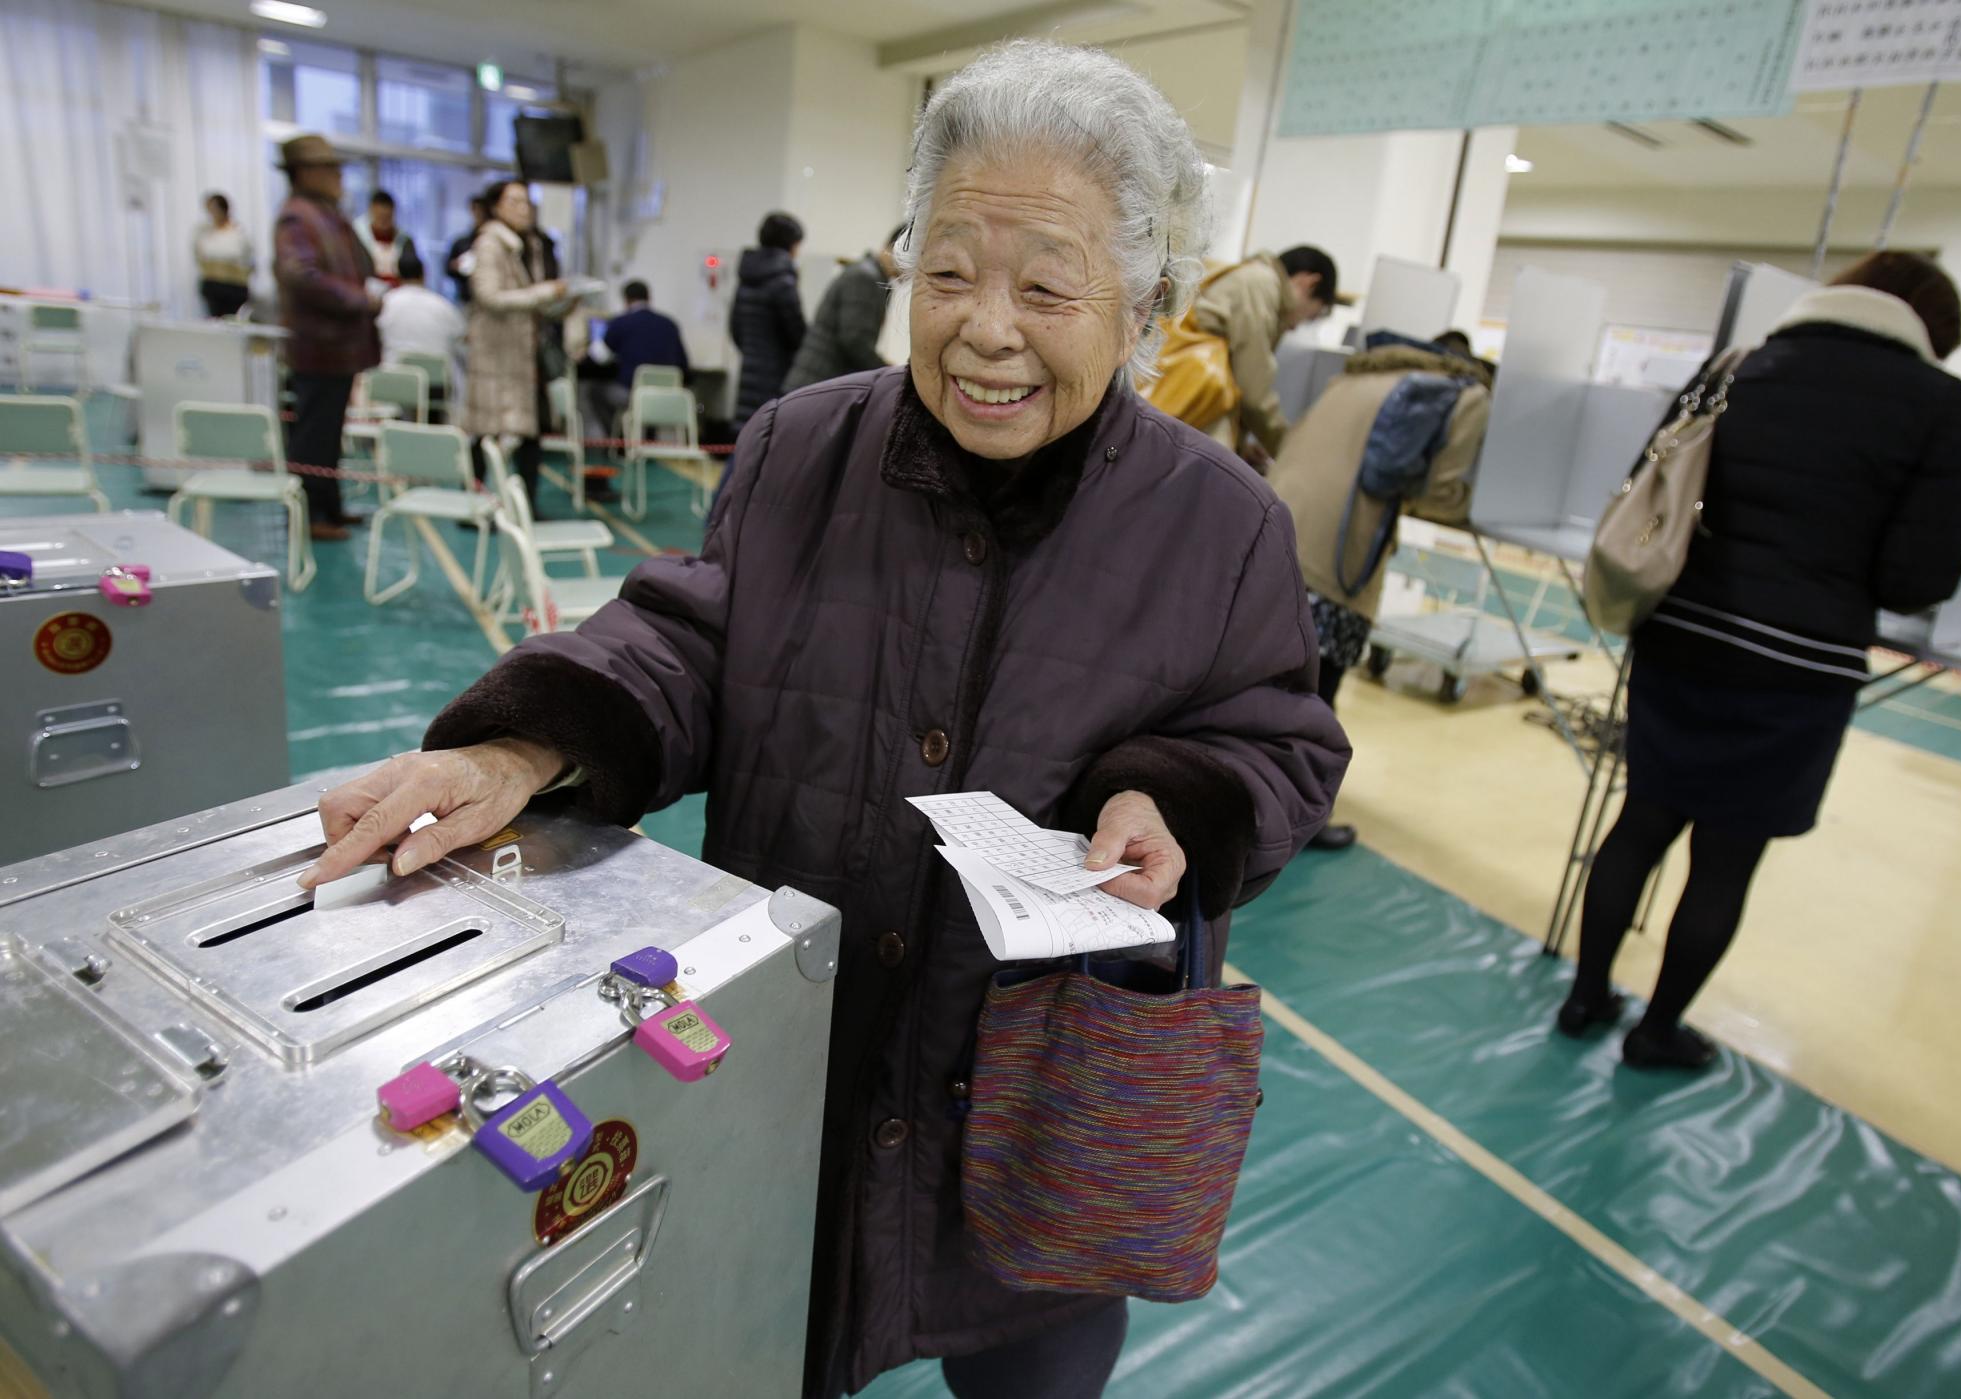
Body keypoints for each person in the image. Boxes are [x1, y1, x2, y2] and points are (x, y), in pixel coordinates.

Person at [298, 41, 1346, 1399]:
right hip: (795, 1062)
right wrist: (516, 740)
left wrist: (1174, 796)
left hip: (1043, 1096)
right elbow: (684, 640)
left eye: (1046, 284)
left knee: (1036, 1366)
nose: (984, 326)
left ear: (1142, 297)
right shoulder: (803, 447)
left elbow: (1279, 738)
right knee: (748, 1340)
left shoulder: (1222, 525)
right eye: (949, 268)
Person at [1558, 251, 1961, 1070]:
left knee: (1640, 821)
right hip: (1799, 665)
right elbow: (1916, 578)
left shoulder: (1739, 366)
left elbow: (1652, 486)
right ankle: (1657, 1031)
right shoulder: (1936, 401)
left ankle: (1585, 996)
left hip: (1682, 634)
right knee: (1725, 860)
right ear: (1932, 330)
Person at [1269, 332, 1494, 850]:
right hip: (1334, 554)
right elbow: (1442, 493)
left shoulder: (1362, 371)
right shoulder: (1469, 396)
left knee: (1262, 684)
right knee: (1315, 701)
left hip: (1272, 527)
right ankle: (1300, 822)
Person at [271, 134, 379, 541]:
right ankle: (310, 513)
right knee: (314, 434)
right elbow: (301, 276)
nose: (338, 177)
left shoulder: (327, 214)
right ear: (305, 173)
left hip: (337, 348)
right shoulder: (297, 217)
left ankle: (329, 507)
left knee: (329, 433)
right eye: (330, 169)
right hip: (317, 346)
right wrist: (359, 301)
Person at [463, 178, 569, 518]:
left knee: (530, 430)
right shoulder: (490, 244)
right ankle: (475, 505)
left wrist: (564, 299)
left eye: (527, 202)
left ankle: (527, 505)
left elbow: (534, 301)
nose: (524, 209)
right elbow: (489, 296)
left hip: (525, 354)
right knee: (485, 431)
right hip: (496, 354)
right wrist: (544, 293)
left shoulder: (532, 245)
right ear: (497, 207)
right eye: (515, 202)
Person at [1185, 245, 1337, 462]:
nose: (1297, 327)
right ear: (1309, 283)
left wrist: (1240, 444)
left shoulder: (1253, 278)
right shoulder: (1261, 285)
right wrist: (1290, 452)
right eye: (1313, 316)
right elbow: (1254, 391)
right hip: (1189, 414)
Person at [781, 227, 903, 393]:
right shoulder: (865, 277)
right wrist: (888, 372)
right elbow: (854, 340)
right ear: (896, 249)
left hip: (815, 382)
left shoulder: (869, 274)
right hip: (818, 382)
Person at [587, 279, 691, 445]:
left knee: (595, 392)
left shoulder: (620, 323)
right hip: (669, 396)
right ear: (649, 298)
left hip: (632, 394)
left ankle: (617, 439)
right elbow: (684, 365)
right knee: (646, 397)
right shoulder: (670, 324)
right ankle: (648, 439)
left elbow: (598, 357)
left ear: (626, 300)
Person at [729, 211, 806, 434]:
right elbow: (796, 334)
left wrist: (753, 353)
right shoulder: (783, 281)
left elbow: (735, 329)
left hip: (749, 370)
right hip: (778, 376)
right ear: (791, 244)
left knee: (746, 439)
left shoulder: (746, 279)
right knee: (769, 437)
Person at [376, 264, 464, 412]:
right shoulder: (443, 305)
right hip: (436, 389)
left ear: (398, 275)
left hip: (393, 386)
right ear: (424, 275)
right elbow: (462, 339)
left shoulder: (386, 303)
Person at [194, 192, 253, 318]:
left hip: (234, 285)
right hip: (213, 283)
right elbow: (199, 254)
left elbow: (247, 258)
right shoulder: (204, 233)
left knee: (233, 319)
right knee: (215, 319)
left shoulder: (237, 233)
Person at [354, 189, 416, 286]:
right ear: (371, 211)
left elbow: (412, 274)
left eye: (387, 217)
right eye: (380, 217)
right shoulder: (357, 236)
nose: (383, 222)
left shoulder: (405, 240)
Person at [447, 195, 488, 304]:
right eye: (475, 209)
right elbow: (448, 269)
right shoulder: (462, 243)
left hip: (487, 299)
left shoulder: (494, 242)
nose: (478, 214)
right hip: (466, 297)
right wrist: (455, 266)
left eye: (481, 210)